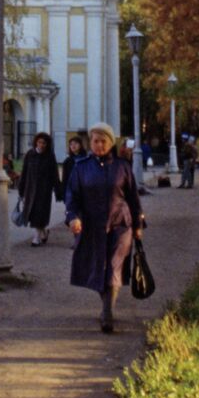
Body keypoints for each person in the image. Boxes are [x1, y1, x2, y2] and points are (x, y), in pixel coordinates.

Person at [67, 123, 145, 332]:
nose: (99, 145)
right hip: (92, 226)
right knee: (97, 266)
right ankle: (106, 306)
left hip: (121, 224)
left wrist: (138, 224)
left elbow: (133, 197)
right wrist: (73, 217)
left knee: (114, 265)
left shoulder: (122, 167)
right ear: (90, 143)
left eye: (104, 141)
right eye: (95, 141)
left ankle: (107, 312)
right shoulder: (81, 167)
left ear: (111, 143)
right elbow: (72, 197)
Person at [17, 131, 61, 245]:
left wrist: (58, 190)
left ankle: (36, 238)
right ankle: (43, 232)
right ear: (36, 142)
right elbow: (24, 172)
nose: (41, 145)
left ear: (47, 144)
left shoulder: (50, 156)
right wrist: (21, 190)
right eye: (39, 142)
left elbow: (54, 174)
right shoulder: (30, 155)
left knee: (40, 213)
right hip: (30, 189)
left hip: (44, 190)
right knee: (32, 213)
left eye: (44, 143)